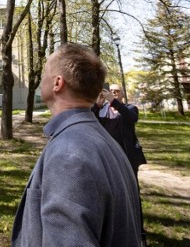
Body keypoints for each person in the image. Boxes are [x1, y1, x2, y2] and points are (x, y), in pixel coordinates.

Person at [11, 43, 142, 246]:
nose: (41, 78)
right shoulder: (100, 138)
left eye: (46, 71)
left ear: (57, 83)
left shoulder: (69, 154)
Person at [92, 84, 147, 179]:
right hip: (108, 153)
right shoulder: (102, 109)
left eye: (116, 91)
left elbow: (132, 118)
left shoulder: (130, 108)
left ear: (123, 95)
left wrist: (113, 101)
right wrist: (97, 106)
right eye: (110, 90)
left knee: (130, 181)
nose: (113, 92)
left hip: (126, 154)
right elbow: (91, 120)